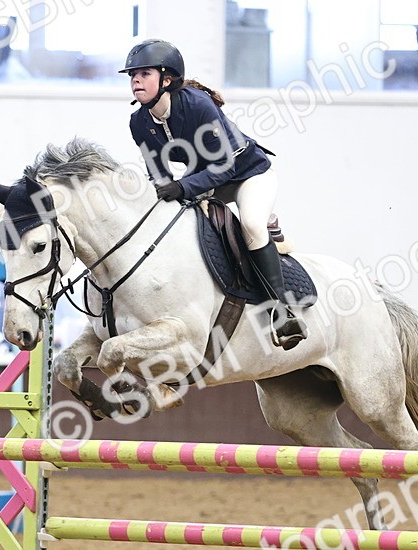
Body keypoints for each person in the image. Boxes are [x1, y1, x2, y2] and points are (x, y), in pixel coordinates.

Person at [122, 38, 306, 350]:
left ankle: (282, 310)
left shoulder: (198, 106)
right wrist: (162, 193)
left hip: (249, 173)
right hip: (205, 178)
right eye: (132, 76)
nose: (135, 80)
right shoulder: (139, 121)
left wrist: (182, 187)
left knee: (250, 225)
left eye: (144, 74)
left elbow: (226, 165)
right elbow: (158, 172)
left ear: (167, 80)